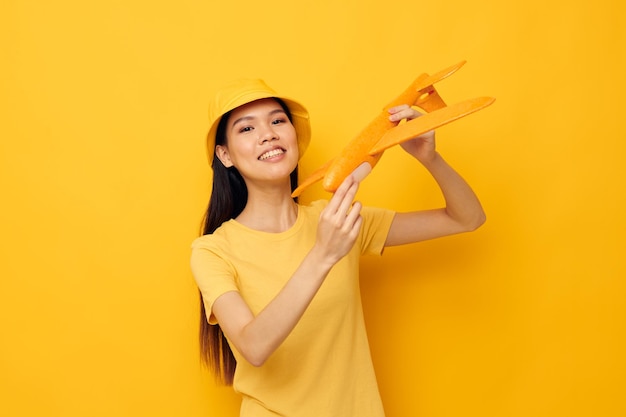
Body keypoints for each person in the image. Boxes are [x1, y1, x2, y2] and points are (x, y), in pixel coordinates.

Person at [190, 78, 486, 417]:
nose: (268, 134)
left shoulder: (335, 220)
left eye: (277, 121)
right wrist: (323, 254)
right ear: (224, 155)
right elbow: (253, 347)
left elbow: (467, 218)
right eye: (246, 128)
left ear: (294, 137)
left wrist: (430, 158)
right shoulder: (212, 250)